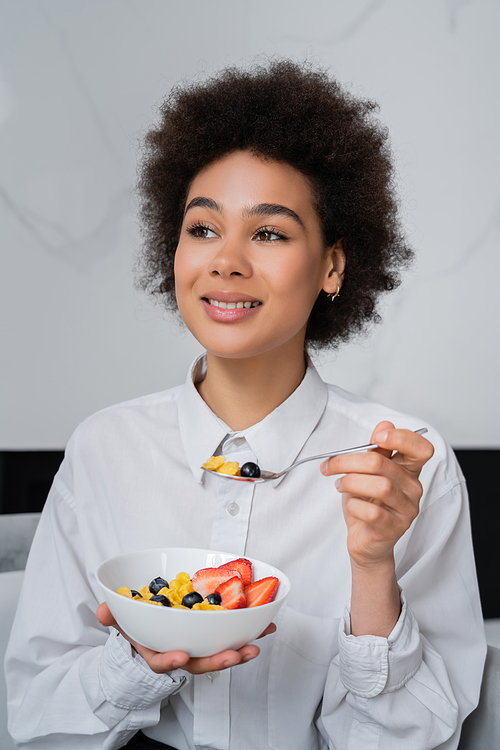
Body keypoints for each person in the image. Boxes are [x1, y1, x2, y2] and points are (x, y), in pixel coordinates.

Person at [5, 60, 485, 750]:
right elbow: (34, 715)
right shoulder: (105, 449)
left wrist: (374, 566)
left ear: (333, 266)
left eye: (269, 233)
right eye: (203, 229)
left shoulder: (401, 465)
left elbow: (407, 741)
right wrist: (142, 663)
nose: (225, 261)